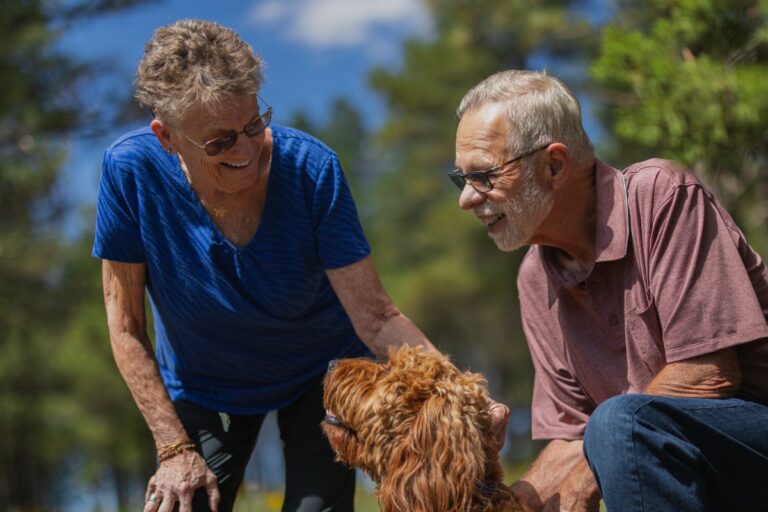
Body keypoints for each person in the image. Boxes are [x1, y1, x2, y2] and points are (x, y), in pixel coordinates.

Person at [93, 19, 510, 512]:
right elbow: (125, 327)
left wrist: (460, 394)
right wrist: (174, 447)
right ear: (167, 137)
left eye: (253, 125)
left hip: (321, 375)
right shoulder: (130, 172)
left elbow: (375, 316)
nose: (246, 151)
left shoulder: (313, 169)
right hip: (206, 381)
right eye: (220, 142)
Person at [449, 69, 768, 512]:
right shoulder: (534, 277)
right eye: (460, 179)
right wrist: (509, 504)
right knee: (614, 426)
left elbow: (709, 373)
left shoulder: (663, 196)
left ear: (554, 165)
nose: (466, 198)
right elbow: (573, 436)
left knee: (620, 421)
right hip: (677, 458)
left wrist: (588, 470)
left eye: (483, 175)